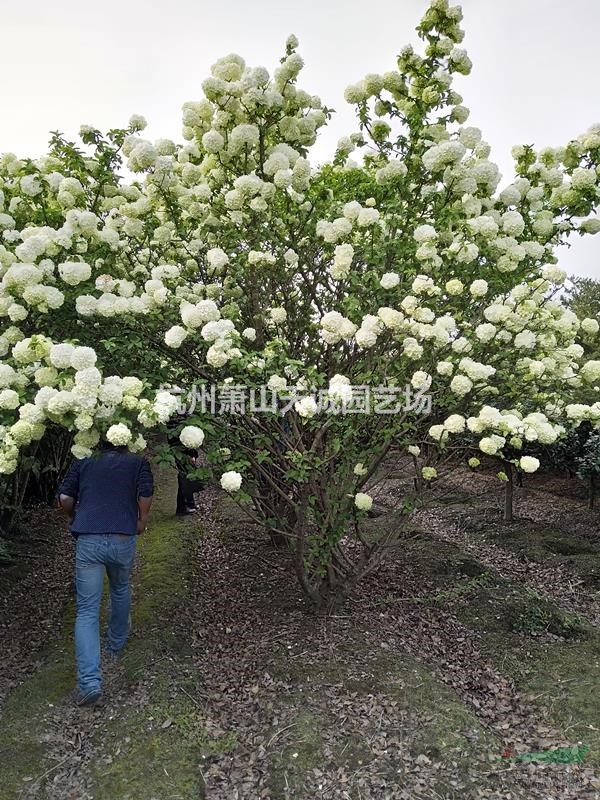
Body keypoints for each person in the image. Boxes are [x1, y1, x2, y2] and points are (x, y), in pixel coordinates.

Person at [57, 442, 154, 707]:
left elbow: (65, 498)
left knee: (87, 610)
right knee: (120, 588)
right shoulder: (138, 463)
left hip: (88, 539)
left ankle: (89, 682)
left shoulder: (83, 460)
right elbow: (146, 493)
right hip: (123, 537)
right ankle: (116, 644)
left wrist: (73, 516)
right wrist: (142, 521)